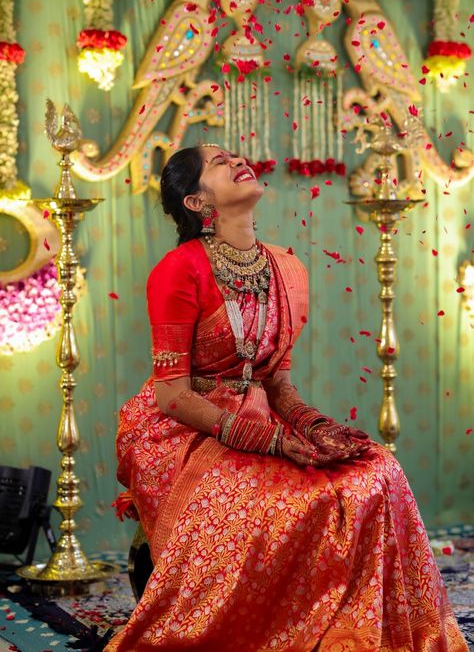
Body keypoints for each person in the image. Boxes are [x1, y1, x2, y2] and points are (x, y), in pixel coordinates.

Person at [105, 145, 468, 652]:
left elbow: (277, 384)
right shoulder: (177, 271)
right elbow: (171, 396)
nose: (236, 161)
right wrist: (273, 442)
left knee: (377, 468)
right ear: (196, 202)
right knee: (297, 500)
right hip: (187, 434)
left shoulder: (285, 269)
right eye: (217, 163)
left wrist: (317, 426)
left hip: (264, 418)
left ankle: (349, 631)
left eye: (234, 155)